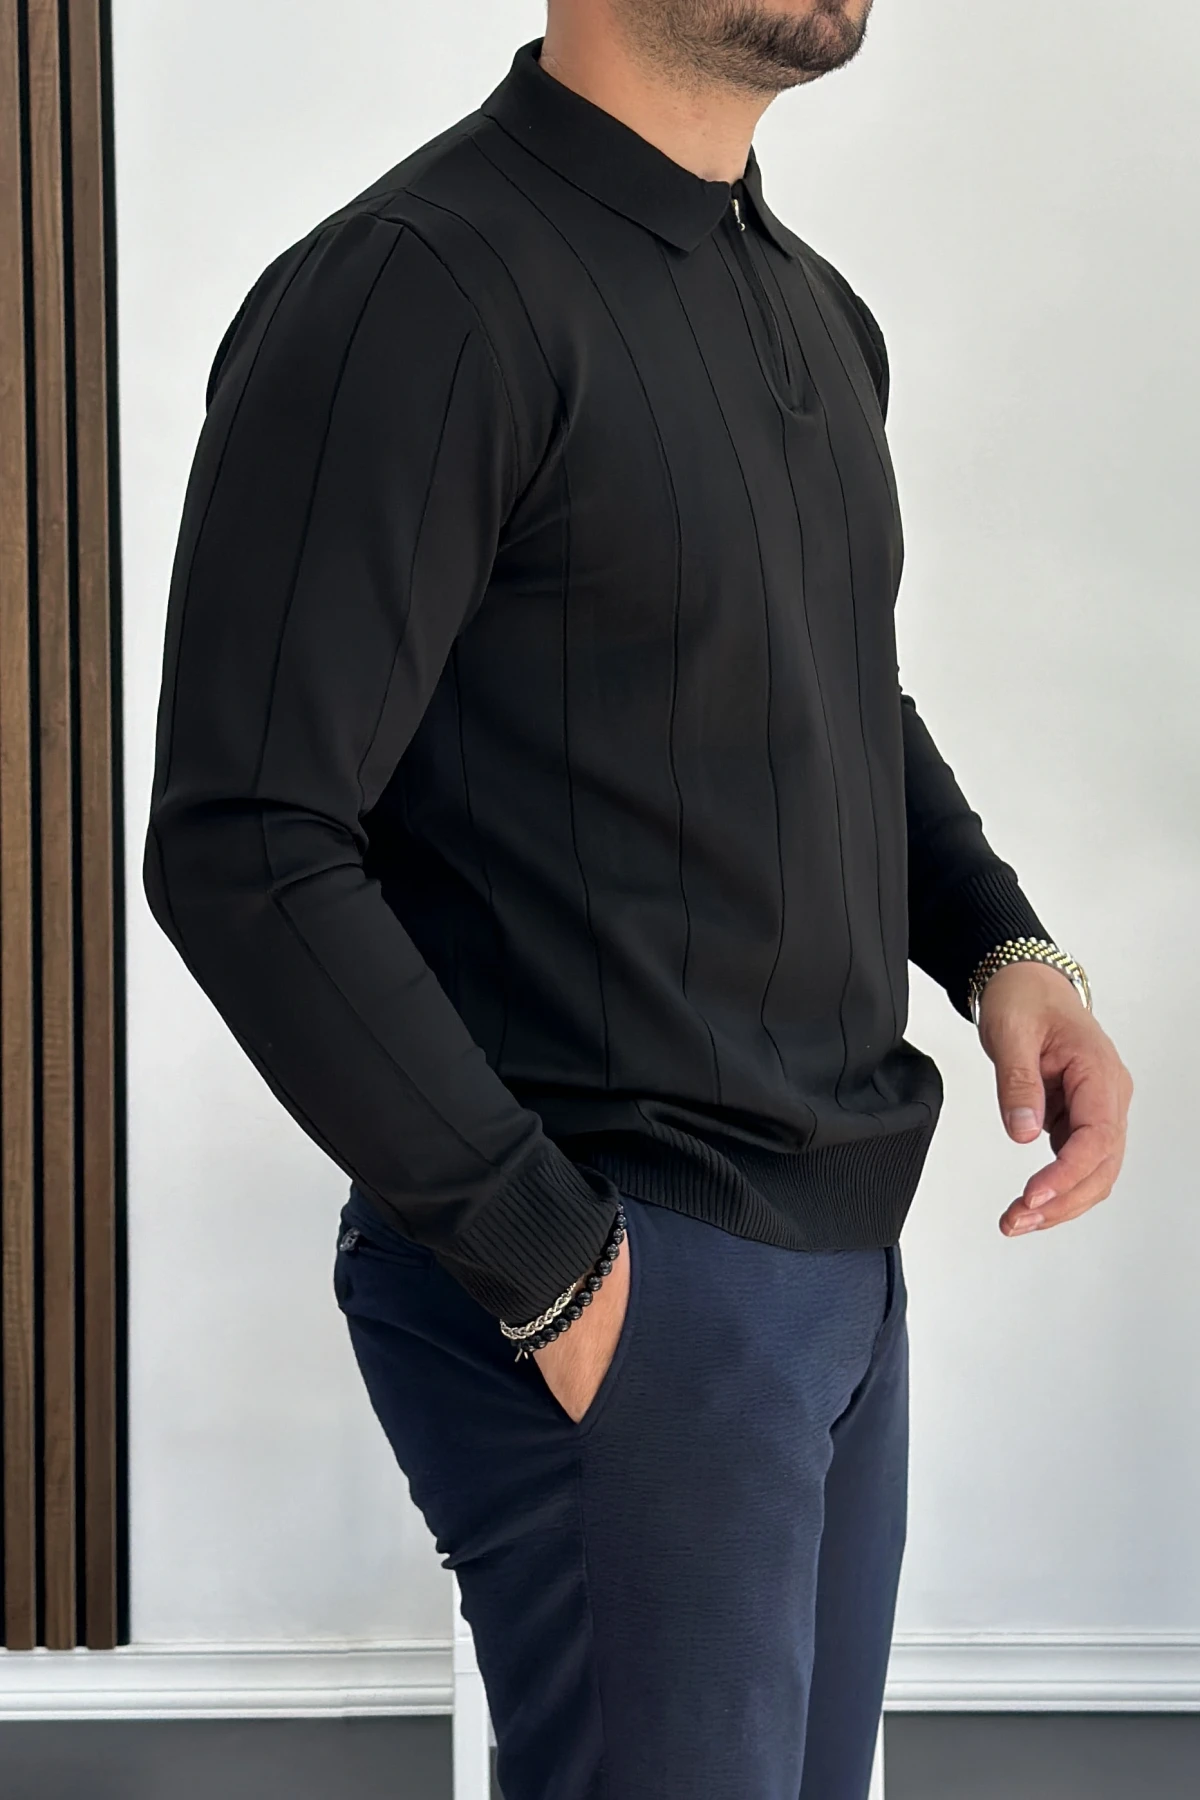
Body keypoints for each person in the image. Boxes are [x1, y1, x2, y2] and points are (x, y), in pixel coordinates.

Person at [142, 4, 1133, 1795]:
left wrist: (1003, 943)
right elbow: (247, 838)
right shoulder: (414, 293)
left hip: (835, 1274)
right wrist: (558, 1274)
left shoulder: (817, 314)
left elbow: (830, 692)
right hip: (622, 1269)